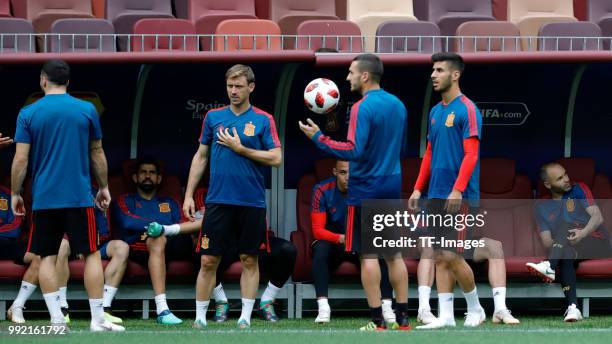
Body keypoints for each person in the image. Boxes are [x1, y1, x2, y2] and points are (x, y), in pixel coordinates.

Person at [299, 53, 410, 331]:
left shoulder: (361, 107)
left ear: (364, 76)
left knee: (368, 256)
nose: (346, 77)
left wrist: (319, 138)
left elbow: (354, 151)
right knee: (394, 255)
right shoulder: (398, 104)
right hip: (392, 185)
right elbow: (402, 147)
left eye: (350, 72)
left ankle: (377, 320)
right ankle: (404, 318)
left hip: (365, 188)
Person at [11, 59, 123, 331]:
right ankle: (97, 320)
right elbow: (97, 152)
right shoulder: (86, 110)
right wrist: (104, 186)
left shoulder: (28, 112)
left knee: (47, 257)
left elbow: (21, 159)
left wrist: (16, 192)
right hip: (78, 198)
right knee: (92, 255)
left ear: (43, 80)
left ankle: (57, 321)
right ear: (68, 82)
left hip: (45, 199)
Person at [183, 64, 282, 329]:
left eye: (239, 86)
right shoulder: (213, 117)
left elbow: (276, 157)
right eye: (230, 86)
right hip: (218, 201)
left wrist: (241, 149)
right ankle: (200, 319)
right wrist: (189, 194)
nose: (234, 91)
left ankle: (245, 318)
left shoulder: (263, 119)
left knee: (250, 259)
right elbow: (201, 156)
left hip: (251, 202)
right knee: (207, 260)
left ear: (251, 87)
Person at [408, 52, 485, 329]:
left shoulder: (468, 109)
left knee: (452, 255)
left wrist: (458, 190)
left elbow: (471, 155)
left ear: (455, 75)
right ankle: (447, 317)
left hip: (458, 197)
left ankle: (476, 308)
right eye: (432, 70)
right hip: (435, 195)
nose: (433, 75)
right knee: (439, 256)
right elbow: (429, 153)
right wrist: (418, 188)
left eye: (439, 70)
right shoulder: (435, 111)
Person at [113, 157, 197, 325]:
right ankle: (162, 309)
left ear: (159, 178)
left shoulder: (170, 203)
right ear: (135, 177)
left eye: (152, 173)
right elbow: (128, 222)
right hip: (138, 247)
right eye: (143, 172)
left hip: (171, 245)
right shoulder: (125, 200)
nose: (147, 176)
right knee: (156, 239)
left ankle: (216, 300)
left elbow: (182, 225)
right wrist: (158, 228)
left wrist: (163, 229)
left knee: (199, 236)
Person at [310, 160, 396, 324]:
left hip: (359, 240)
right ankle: (323, 306)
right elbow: (317, 230)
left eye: (352, 173)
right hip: (335, 243)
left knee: (380, 247)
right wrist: (341, 238)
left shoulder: (365, 189)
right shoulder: (321, 189)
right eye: (343, 173)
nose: (348, 177)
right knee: (320, 248)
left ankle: (386, 306)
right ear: (335, 172)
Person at [526, 162, 611, 322]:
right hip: (568, 248)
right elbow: (546, 242)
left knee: (565, 225)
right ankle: (573, 307)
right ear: (547, 184)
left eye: (565, 174)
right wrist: (562, 239)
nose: (566, 179)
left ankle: (550, 266)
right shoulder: (540, 207)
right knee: (565, 251)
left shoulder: (578, 188)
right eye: (559, 178)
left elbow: (598, 217)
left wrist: (582, 233)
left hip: (597, 241)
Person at [55, 187, 129, 324]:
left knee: (122, 248)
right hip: (72, 244)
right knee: (61, 246)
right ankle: (62, 308)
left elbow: (104, 227)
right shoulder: (62, 191)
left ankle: (105, 307)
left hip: (97, 242)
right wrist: (80, 245)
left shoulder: (98, 192)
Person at [416, 239, 519, 324]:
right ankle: (424, 310)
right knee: (427, 244)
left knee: (494, 246)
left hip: (462, 241)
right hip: (434, 239)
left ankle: (500, 309)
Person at [2, 185, 42, 324]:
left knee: (41, 256)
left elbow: (15, 227)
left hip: (6, 243)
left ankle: (16, 306)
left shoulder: (8, 194)